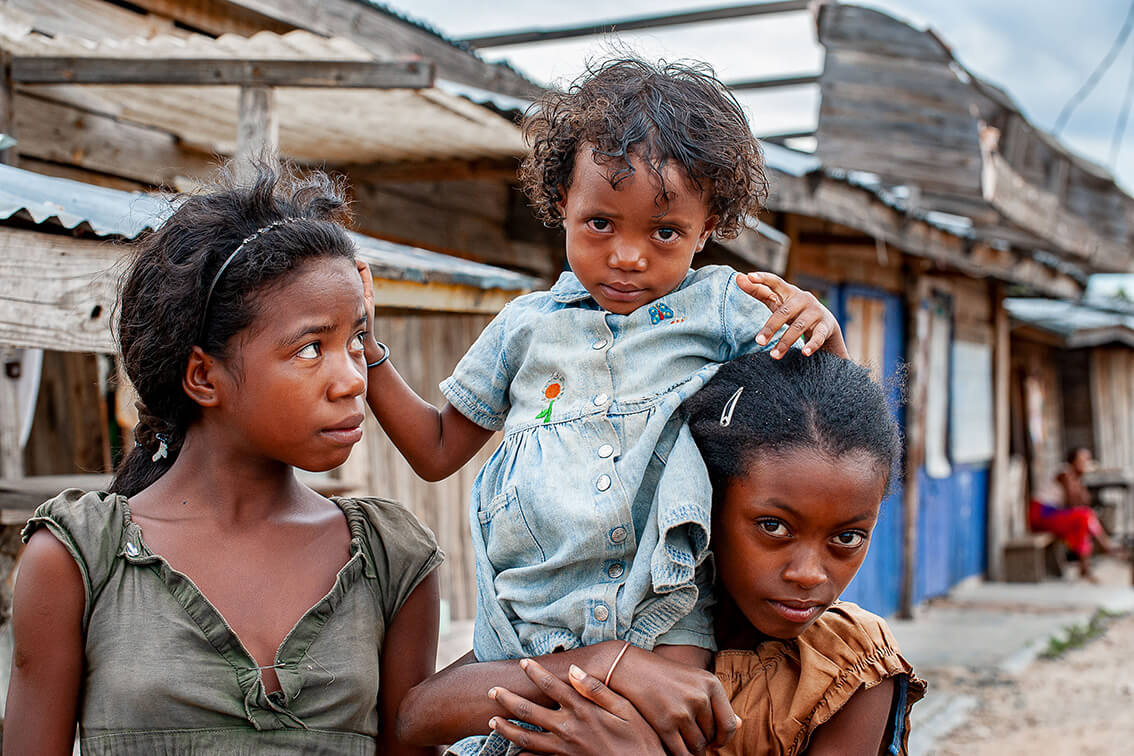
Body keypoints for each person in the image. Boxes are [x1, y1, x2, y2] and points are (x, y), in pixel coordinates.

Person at [366, 57, 846, 755]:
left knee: (665, 739)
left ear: (707, 226)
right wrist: (371, 356)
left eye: (664, 233)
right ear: (561, 198)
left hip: (666, 617)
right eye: (599, 223)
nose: (627, 256)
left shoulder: (721, 307)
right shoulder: (524, 329)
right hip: (525, 628)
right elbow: (437, 451)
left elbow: (828, 426)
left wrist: (822, 334)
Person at [4, 170, 442, 755]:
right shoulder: (78, 559)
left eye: (356, 341)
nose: (351, 380)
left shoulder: (392, 561)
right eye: (311, 348)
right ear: (204, 376)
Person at [484, 350, 927, 755]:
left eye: (847, 538)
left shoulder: (846, 665)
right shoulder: (617, 610)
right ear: (707, 501)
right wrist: (603, 662)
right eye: (774, 527)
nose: (809, 575)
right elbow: (421, 711)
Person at [1029, 447, 1121, 580]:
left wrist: (1081, 480)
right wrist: (1078, 483)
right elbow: (1072, 503)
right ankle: (1104, 546)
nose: (1086, 463)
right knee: (1084, 516)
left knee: (1082, 520)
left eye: (1088, 460)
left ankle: (1085, 567)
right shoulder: (1064, 473)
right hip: (1041, 515)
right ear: (1073, 461)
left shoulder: (1076, 477)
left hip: (1052, 515)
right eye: (1083, 460)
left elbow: (1084, 502)